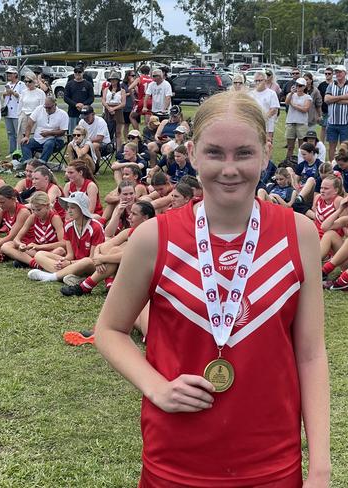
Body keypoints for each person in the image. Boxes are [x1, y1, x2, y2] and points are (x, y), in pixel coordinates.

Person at [94, 90, 330, 487]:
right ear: (193, 152)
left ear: (266, 150)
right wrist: (157, 388)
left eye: (244, 153)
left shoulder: (300, 234)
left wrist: (320, 466)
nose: (229, 168)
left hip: (272, 462)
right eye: (215, 152)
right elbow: (109, 330)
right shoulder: (153, 238)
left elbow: (310, 354)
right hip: (175, 459)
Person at [61, 200, 155, 298]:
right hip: (114, 267)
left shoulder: (149, 235)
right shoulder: (130, 231)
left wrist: (101, 259)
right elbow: (102, 245)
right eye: (130, 212)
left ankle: (85, 286)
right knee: (109, 246)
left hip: (144, 276)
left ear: (145, 218)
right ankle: (107, 283)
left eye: (134, 214)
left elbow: (128, 255)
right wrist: (97, 258)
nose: (129, 216)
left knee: (114, 251)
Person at [27, 192, 105, 283]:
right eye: (68, 207)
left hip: (91, 265)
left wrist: (69, 263)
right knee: (39, 255)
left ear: (82, 209)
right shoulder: (68, 226)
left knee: (86, 261)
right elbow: (70, 255)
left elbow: (93, 259)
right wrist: (63, 261)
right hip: (73, 263)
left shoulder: (96, 227)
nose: (69, 211)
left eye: (72, 207)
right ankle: (70, 275)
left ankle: (52, 276)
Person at [0, 191, 65, 268]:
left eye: (38, 209)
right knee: (6, 246)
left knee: (60, 250)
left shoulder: (54, 218)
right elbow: (17, 239)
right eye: (33, 210)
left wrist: (40, 247)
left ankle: (27, 261)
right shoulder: (33, 217)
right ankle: (35, 263)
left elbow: (63, 243)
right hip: (36, 249)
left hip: (50, 251)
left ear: (47, 206)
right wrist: (21, 245)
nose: (35, 212)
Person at [20, 96, 68, 163]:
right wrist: (27, 136)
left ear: (55, 105)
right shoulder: (39, 109)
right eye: (46, 107)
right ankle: (29, 163)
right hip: (38, 140)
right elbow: (30, 123)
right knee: (24, 143)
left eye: (49, 107)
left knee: (49, 143)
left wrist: (49, 133)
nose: (47, 109)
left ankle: (41, 163)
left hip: (55, 141)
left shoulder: (63, 114)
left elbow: (63, 131)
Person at [324, 65, 348, 160]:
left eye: (340, 72)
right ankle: (332, 165)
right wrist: (342, 97)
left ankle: (345, 165)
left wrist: (332, 99)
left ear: (345, 73)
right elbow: (326, 99)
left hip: (345, 122)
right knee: (332, 147)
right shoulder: (331, 85)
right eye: (336, 72)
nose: (338, 74)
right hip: (332, 122)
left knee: (345, 147)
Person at [17, 72, 46, 154]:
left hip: (35, 118)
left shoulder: (40, 93)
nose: (27, 83)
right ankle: (22, 154)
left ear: (34, 81)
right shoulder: (23, 92)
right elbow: (20, 105)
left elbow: (42, 107)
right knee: (22, 136)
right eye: (25, 81)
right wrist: (19, 115)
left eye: (29, 81)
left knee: (33, 137)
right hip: (24, 116)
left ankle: (35, 156)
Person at [284, 77, 312, 161]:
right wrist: (291, 93)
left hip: (301, 123)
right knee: (290, 146)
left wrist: (293, 105)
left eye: (300, 86)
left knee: (302, 147)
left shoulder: (308, 97)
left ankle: (301, 162)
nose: (298, 87)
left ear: (304, 87)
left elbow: (305, 109)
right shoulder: (291, 95)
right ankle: (287, 161)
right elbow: (286, 102)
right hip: (291, 122)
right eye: (297, 85)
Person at [249, 71, 279, 143]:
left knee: (267, 145)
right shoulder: (250, 94)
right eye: (256, 81)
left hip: (268, 127)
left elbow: (274, 109)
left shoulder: (271, 93)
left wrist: (262, 118)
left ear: (265, 81)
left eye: (260, 80)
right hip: (254, 125)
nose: (258, 82)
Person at [64, 66, 95, 134]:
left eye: (79, 72)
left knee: (85, 132)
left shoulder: (88, 84)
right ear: (74, 73)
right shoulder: (69, 84)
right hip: (72, 113)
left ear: (83, 73)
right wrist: (75, 105)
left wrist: (83, 105)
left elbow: (91, 98)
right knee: (73, 133)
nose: (78, 73)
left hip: (85, 113)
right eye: (76, 72)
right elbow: (66, 98)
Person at [2, 66, 25, 153]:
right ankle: (12, 151)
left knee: (17, 133)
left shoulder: (21, 84)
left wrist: (13, 93)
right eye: (7, 74)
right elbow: (4, 96)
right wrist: (6, 93)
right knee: (10, 133)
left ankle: (19, 151)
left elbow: (22, 97)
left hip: (16, 111)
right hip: (8, 112)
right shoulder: (8, 84)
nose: (8, 75)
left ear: (15, 74)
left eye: (10, 73)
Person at [102, 71, 126, 144]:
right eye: (111, 80)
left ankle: (118, 149)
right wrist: (108, 107)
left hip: (118, 111)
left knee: (118, 132)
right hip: (108, 109)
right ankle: (108, 148)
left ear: (118, 81)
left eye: (115, 79)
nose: (113, 81)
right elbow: (103, 100)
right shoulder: (106, 89)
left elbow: (123, 103)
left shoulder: (122, 91)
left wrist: (114, 108)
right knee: (108, 130)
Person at [129, 64, 153, 128]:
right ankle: (147, 135)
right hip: (150, 100)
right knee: (147, 121)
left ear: (141, 71)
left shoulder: (139, 79)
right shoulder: (152, 80)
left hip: (141, 100)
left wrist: (133, 97)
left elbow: (130, 88)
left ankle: (137, 133)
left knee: (132, 116)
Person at [317, 68, 333, 142]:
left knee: (332, 128)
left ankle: (332, 143)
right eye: (326, 73)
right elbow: (318, 98)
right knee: (323, 127)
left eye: (329, 73)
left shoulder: (335, 84)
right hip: (324, 110)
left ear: (332, 74)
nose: (327, 75)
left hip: (333, 109)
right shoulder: (321, 85)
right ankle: (322, 143)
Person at [121, 70, 136, 141]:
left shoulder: (135, 84)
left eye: (134, 75)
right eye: (132, 75)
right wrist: (129, 93)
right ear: (127, 76)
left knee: (135, 124)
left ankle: (136, 138)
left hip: (134, 107)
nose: (133, 77)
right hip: (126, 107)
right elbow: (120, 95)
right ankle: (126, 140)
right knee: (126, 124)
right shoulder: (123, 85)